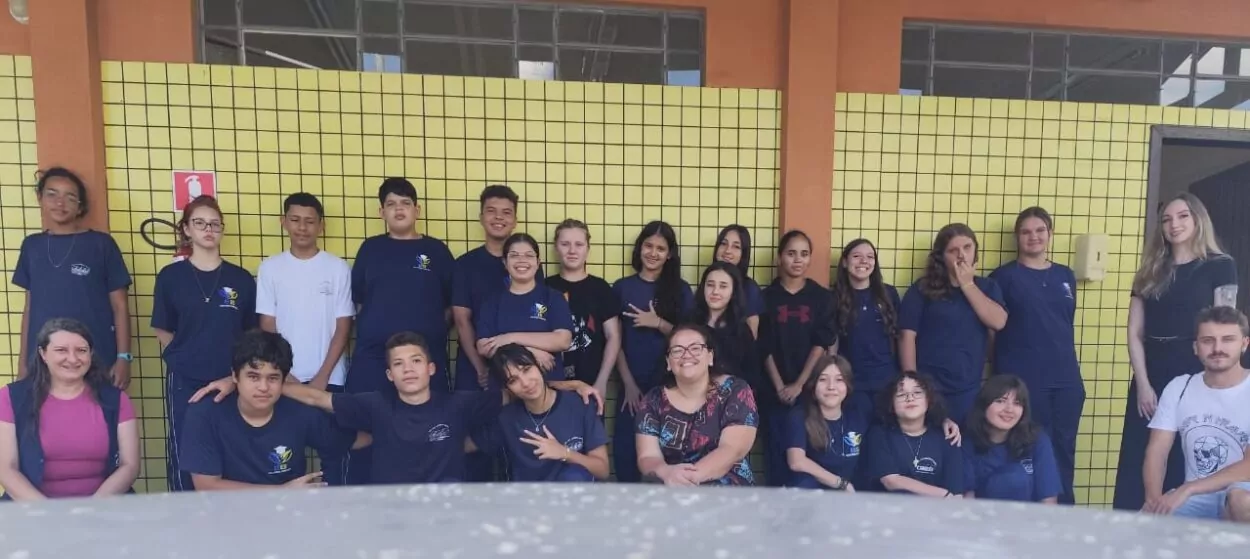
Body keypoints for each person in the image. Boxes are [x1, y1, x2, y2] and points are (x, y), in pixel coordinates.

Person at [192, 331, 601, 485]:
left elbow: (520, 388)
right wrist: (248, 381)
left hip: (446, 512)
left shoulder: (460, 405)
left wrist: (568, 383)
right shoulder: (373, 405)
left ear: (431, 368)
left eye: (416, 361)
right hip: (389, 513)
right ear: (388, 375)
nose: (408, 370)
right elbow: (316, 397)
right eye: (398, 364)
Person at [1115, 192, 1239, 511]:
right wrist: (1142, 382)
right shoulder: (1150, 270)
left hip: (1194, 368)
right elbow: (1134, 331)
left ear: (1198, 219)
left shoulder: (1220, 265)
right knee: (1143, 451)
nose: (1175, 224)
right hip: (1151, 370)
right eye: (1167, 219)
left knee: (1187, 450)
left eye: (1183, 216)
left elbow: (1225, 322)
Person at [151, 194, 257, 492]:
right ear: (186, 229)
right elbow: (162, 327)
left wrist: (236, 375)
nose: (208, 230)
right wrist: (183, 357)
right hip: (186, 380)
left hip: (232, 380)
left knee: (233, 449)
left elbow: (251, 334)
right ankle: (186, 523)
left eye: (215, 224)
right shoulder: (171, 277)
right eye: (200, 223)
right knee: (186, 450)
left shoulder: (241, 279)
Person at [180, 330, 366, 490]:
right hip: (226, 518)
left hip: (286, 518)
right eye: (253, 377)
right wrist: (281, 492)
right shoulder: (205, 413)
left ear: (284, 381)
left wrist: (388, 423)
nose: (263, 387)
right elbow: (207, 486)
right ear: (234, 376)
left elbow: (352, 440)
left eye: (273, 378)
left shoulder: (298, 412)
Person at [255, 192, 354, 486]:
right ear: (283, 222)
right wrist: (284, 374)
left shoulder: (337, 268)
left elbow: (343, 326)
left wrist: (322, 376)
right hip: (284, 379)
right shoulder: (270, 268)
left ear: (321, 226)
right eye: (295, 220)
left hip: (331, 377)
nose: (302, 227)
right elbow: (267, 325)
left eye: (310, 221)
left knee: (335, 450)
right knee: (287, 454)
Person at [989, 207, 1083, 505]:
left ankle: (1064, 515)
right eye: (1026, 232)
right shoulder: (1003, 277)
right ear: (1017, 237)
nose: (1033, 237)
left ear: (1050, 234)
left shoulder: (1065, 275)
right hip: (1025, 382)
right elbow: (992, 332)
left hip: (1066, 380)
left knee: (1064, 449)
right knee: (1028, 450)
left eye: (1040, 230)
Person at [13, 167, 133, 388]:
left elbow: (120, 305)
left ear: (80, 206)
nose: (60, 203)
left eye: (70, 197)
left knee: (98, 420)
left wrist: (124, 357)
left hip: (96, 359)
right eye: (52, 194)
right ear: (40, 198)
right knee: (45, 421)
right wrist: (23, 364)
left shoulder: (102, 245)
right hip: (44, 361)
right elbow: (30, 308)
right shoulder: (31, 246)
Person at [0, 318, 139, 499]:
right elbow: (6, 469)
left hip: (104, 506)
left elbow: (130, 465)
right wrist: (50, 514)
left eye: (81, 350)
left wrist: (93, 507)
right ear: (43, 354)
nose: (73, 358)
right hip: (32, 508)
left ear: (91, 354)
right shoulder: (11, 397)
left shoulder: (116, 399)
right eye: (61, 350)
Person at [1140, 306, 1250, 522]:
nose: (1218, 348)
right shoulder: (1180, 387)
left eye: (1228, 339)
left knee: (1240, 502)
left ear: (1244, 344)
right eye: (1208, 340)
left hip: (1242, 492)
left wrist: (1188, 489)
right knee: (1140, 529)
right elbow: (1157, 451)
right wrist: (1154, 503)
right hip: (1196, 498)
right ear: (1195, 347)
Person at [349, 178, 455, 393]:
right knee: (366, 420)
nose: (399, 209)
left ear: (417, 210)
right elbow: (359, 301)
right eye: (391, 204)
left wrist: (433, 329)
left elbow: (453, 303)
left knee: (427, 420)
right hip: (374, 355)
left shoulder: (436, 250)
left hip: (425, 355)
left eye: (405, 203)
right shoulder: (370, 249)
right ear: (382, 212)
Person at [899, 223, 1007, 423]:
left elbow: (998, 322)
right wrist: (912, 385)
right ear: (941, 256)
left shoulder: (988, 287)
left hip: (969, 388)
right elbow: (907, 337)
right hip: (930, 387)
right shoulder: (922, 289)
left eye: (967, 247)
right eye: (953, 250)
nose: (961, 255)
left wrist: (967, 284)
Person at [612, 221, 694, 482]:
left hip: (670, 387)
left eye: (661, 248)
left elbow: (692, 341)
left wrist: (657, 323)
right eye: (648, 245)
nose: (653, 253)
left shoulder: (680, 290)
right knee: (626, 455)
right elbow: (615, 342)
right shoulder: (622, 287)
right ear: (640, 248)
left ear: (669, 254)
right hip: (631, 388)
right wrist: (627, 383)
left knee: (667, 458)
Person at [635, 323, 758, 486]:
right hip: (672, 488)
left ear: (710, 356)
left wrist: (687, 481)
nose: (686, 355)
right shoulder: (653, 400)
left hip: (728, 492)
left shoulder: (735, 390)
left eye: (695, 348)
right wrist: (667, 473)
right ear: (668, 362)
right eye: (677, 350)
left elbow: (732, 450)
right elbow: (647, 457)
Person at [760, 230, 836, 486]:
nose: (797, 260)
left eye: (804, 254)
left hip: (809, 390)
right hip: (772, 390)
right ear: (780, 257)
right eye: (791, 253)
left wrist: (800, 384)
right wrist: (780, 385)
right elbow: (763, 345)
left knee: (807, 455)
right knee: (775, 455)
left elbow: (821, 343)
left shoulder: (822, 297)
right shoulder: (765, 297)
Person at [453, 184, 542, 392]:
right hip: (474, 367)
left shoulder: (529, 264)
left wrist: (533, 356)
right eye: (491, 211)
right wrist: (480, 367)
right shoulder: (465, 265)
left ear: (515, 220)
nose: (498, 218)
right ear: (481, 217)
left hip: (521, 368)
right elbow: (461, 320)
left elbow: (538, 316)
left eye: (506, 212)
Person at [485, 344, 610, 482]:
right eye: (513, 380)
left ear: (538, 366)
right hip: (529, 499)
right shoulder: (506, 417)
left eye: (527, 370)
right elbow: (468, 444)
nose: (526, 383)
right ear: (507, 388)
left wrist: (565, 453)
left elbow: (603, 470)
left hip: (570, 499)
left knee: (574, 476)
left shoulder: (580, 405)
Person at [474, 233, 574, 386]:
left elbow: (563, 340)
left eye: (529, 255)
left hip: (549, 388)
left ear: (538, 262)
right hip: (505, 389)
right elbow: (484, 347)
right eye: (514, 255)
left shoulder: (552, 297)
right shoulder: (492, 302)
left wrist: (509, 338)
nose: (522, 260)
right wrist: (530, 351)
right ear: (505, 262)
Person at [545, 219, 621, 397]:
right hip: (550, 386)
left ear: (587, 248)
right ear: (556, 247)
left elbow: (614, 336)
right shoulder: (544, 288)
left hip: (592, 385)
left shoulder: (600, 288)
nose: (572, 250)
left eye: (579, 244)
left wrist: (602, 381)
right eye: (565, 244)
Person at [962, 375, 1061, 503]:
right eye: (1000, 401)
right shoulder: (967, 441)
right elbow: (967, 500)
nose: (1009, 409)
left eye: (1017, 403)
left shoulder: (1037, 439)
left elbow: (1048, 499)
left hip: (1028, 520)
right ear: (984, 404)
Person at [864, 370, 963, 497]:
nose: (910, 398)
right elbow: (891, 481)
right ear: (891, 405)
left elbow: (957, 494)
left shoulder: (948, 436)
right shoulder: (879, 434)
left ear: (929, 400)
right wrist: (943, 495)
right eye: (901, 394)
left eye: (917, 393)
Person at [832, 238, 900, 420]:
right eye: (857, 256)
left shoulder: (889, 294)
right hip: (852, 385)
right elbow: (832, 345)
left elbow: (899, 338)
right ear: (845, 262)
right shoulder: (833, 298)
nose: (864, 261)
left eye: (870, 257)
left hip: (886, 382)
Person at [785, 354, 868, 490]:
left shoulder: (857, 416)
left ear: (848, 385)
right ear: (813, 385)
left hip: (849, 498)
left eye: (839, 380)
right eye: (823, 379)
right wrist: (841, 484)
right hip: (811, 498)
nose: (831, 387)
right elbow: (796, 462)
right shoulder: (799, 416)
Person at [690, 262, 761, 392]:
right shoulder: (688, 326)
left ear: (733, 292)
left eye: (723, 286)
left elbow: (752, 377)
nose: (715, 291)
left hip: (730, 402)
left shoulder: (742, 331)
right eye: (710, 285)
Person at [712, 224, 765, 337]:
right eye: (723, 244)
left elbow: (752, 335)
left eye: (736, 247)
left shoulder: (750, 289)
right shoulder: (707, 281)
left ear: (743, 254)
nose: (727, 251)